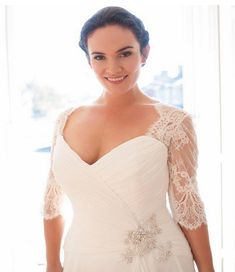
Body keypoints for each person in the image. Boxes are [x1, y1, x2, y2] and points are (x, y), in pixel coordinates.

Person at [42, 6, 215, 272]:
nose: (113, 68)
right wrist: (52, 264)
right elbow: (52, 202)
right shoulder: (66, 120)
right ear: (89, 60)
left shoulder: (174, 122)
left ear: (144, 53)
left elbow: (188, 208)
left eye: (125, 53)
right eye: (99, 57)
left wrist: (208, 270)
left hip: (154, 262)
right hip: (82, 259)